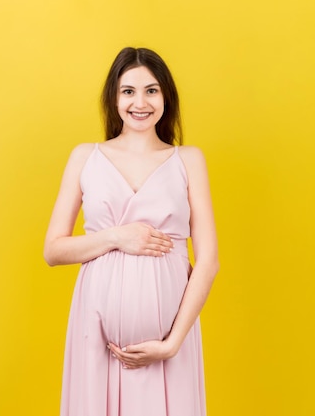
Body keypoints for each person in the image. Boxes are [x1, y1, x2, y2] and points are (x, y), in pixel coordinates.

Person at [44, 47, 219, 416]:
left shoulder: (188, 160)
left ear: (166, 96)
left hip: (171, 341)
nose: (140, 102)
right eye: (128, 91)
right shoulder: (84, 157)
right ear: (113, 97)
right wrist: (116, 237)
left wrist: (172, 344)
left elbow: (208, 261)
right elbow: (53, 250)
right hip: (96, 338)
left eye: (151, 90)